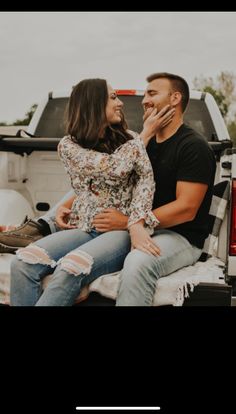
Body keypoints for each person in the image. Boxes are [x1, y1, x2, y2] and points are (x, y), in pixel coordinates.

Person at [2, 72, 216, 306]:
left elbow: (185, 209)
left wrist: (131, 223)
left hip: (179, 234)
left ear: (175, 98)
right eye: (145, 94)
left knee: (135, 263)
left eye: (151, 93)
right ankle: (39, 228)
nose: (143, 100)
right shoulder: (137, 143)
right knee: (23, 263)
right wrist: (66, 206)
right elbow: (105, 180)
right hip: (120, 224)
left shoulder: (193, 146)